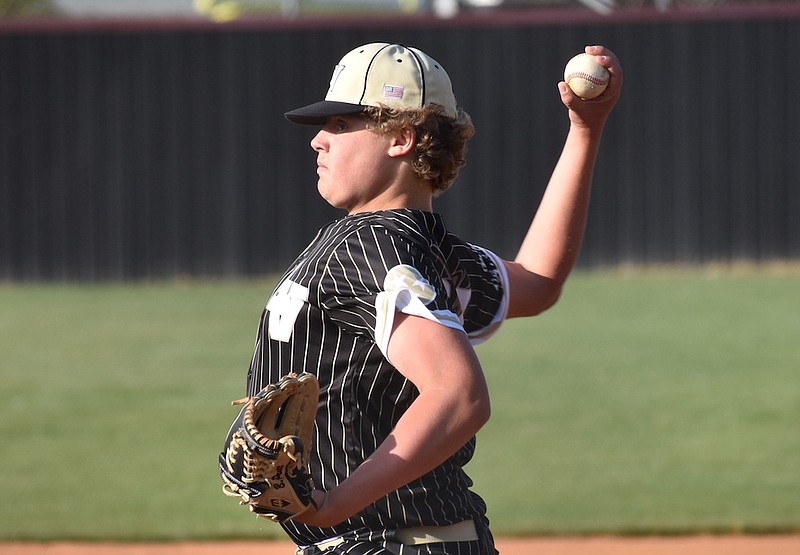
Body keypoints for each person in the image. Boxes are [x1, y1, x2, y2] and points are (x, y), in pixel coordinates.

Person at [243, 42, 622, 554]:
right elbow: (538, 280)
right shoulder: (425, 248)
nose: (318, 142)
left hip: (390, 543)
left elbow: (458, 396)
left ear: (401, 137)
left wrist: (333, 505)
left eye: (339, 125)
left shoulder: (372, 245)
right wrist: (585, 129)